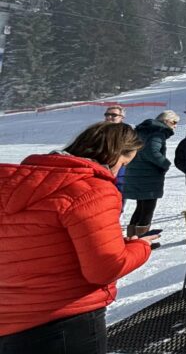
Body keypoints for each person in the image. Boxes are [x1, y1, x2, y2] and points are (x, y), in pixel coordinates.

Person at [0, 122, 156, 353]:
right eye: (123, 164)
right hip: (65, 320)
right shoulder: (92, 189)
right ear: (115, 155)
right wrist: (141, 246)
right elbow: (105, 267)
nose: (119, 172)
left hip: (10, 316)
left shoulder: (13, 182)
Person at [123, 110, 179, 245]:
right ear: (166, 121)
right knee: (148, 208)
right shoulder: (157, 132)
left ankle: (132, 238)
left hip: (136, 173)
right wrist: (165, 164)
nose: (175, 125)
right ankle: (142, 242)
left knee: (140, 207)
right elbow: (152, 151)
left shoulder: (143, 131)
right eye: (174, 122)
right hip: (148, 175)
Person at [103, 105, 129, 211]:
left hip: (120, 171)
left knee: (118, 201)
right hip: (100, 169)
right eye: (107, 115)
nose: (109, 117)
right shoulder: (98, 130)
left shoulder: (126, 132)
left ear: (121, 117)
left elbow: (131, 151)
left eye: (113, 115)